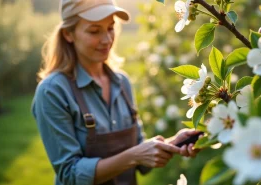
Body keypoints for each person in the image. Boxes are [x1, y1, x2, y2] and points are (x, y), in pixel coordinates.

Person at [31, 0, 201, 185]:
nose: (107, 39)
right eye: (94, 31)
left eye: (111, 28)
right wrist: (134, 156)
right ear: (68, 34)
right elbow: (70, 174)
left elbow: (139, 157)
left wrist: (171, 144)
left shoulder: (122, 83)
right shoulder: (53, 91)